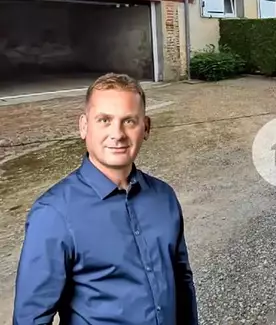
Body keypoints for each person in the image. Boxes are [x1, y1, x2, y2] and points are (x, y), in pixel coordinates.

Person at [12, 73, 199, 325]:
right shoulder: (54, 213)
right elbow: (31, 318)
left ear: (146, 127)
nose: (117, 134)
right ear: (84, 126)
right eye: (104, 120)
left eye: (129, 121)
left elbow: (182, 282)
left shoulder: (164, 197)